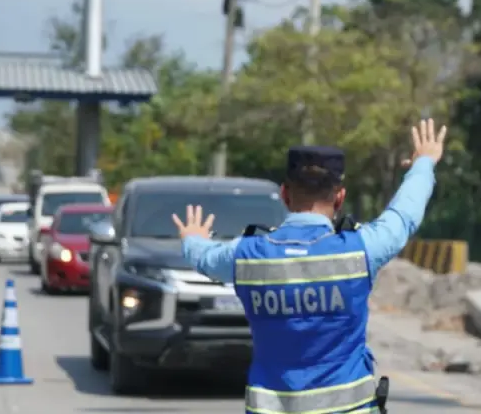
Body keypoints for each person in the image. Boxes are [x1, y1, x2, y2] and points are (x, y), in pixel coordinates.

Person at [172, 119, 447, 414]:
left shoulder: (246, 255)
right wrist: (423, 164)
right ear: (339, 197)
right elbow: (403, 216)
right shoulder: (360, 250)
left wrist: (192, 239)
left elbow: (204, 258)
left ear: (285, 194)